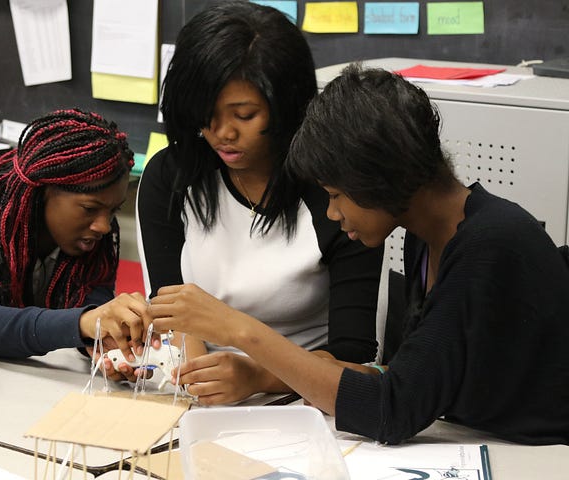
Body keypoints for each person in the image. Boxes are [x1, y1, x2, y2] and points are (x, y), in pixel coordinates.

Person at [148, 64, 569, 445]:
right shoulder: (424, 238)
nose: (332, 213)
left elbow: (393, 410)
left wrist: (243, 332)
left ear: (379, 179)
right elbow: (410, 381)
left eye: (335, 195)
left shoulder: (488, 244)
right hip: (478, 437)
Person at [133, 2, 383, 405]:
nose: (221, 133)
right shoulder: (173, 176)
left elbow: (353, 359)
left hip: (307, 395)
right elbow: (173, 313)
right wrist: (195, 384)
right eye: (205, 114)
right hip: (204, 395)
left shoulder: (335, 190)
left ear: (286, 107)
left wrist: (257, 376)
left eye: (244, 115)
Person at [0, 108, 152, 361]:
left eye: (113, 211)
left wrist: (102, 346)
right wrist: (84, 323)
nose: (104, 226)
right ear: (42, 190)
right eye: (90, 208)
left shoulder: (89, 240)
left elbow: (93, 304)